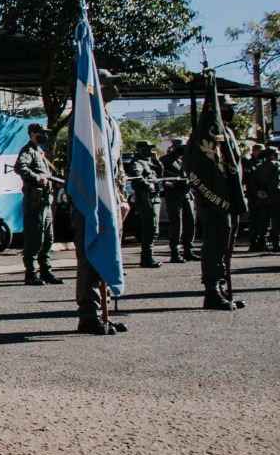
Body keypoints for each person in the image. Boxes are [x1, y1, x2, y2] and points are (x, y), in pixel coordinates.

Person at [67, 69, 129, 334]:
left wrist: (122, 196)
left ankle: (104, 312)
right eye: (109, 85)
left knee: (106, 253)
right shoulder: (83, 119)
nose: (114, 89)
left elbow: (116, 164)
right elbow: (82, 163)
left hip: (110, 199)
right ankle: (89, 314)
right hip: (89, 200)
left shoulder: (110, 120)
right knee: (89, 256)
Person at [197, 95, 246, 309]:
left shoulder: (228, 132)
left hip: (230, 199)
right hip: (214, 202)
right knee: (215, 243)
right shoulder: (204, 133)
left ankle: (223, 287)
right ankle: (212, 291)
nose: (229, 111)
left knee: (227, 243)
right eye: (225, 108)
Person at [14, 123, 63, 286]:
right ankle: (31, 273)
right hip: (35, 201)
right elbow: (19, 167)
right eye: (41, 133)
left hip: (45, 201)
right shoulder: (28, 151)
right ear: (33, 134)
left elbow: (46, 175)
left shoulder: (39, 152)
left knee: (48, 238)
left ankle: (46, 271)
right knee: (35, 237)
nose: (44, 136)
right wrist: (37, 178)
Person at [126, 140, 164, 268]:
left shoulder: (148, 162)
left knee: (154, 228)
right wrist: (149, 186)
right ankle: (146, 258)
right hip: (146, 198)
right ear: (139, 150)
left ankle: (148, 256)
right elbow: (137, 177)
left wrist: (156, 160)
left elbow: (160, 173)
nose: (149, 151)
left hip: (154, 198)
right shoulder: (137, 162)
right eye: (146, 149)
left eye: (150, 149)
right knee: (150, 228)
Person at [161, 138, 199, 263]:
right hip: (174, 194)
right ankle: (175, 252)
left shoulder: (186, 159)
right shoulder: (166, 160)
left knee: (190, 222)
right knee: (177, 224)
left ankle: (188, 250)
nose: (183, 149)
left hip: (186, 193)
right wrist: (165, 182)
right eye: (180, 147)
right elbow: (158, 175)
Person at [251, 146, 280, 252]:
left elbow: (253, 181)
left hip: (262, 199)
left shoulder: (260, 166)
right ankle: (276, 243)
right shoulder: (276, 165)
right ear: (273, 155)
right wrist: (268, 192)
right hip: (275, 198)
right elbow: (276, 181)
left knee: (263, 221)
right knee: (276, 222)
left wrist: (259, 192)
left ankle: (261, 242)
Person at [244, 144, 266, 251]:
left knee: (263, 219)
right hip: (253, 196)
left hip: (263, 196)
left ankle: (261, 241)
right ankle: (253, 242)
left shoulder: (263, 163)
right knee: (255, 218)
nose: (261, 153)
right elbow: (248, 179)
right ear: (254, 151)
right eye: (259, 151)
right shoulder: (249, 164)